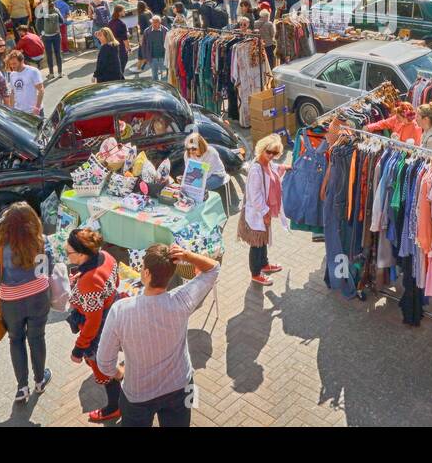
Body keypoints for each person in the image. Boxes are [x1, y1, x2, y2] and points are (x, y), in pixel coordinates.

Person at [95, 242, 219, 427]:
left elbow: (104, 363)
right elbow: (213, 269)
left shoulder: (121, 310)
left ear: (146, 273)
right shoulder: (182, 300)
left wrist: (120, 374)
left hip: (138, 394)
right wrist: (186, 255)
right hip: (181, 386)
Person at [0, 203, 54, 404]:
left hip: (11, 302)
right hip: (39, 297)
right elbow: (46, 272)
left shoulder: (0, 250)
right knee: (37, 338)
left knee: (16, 340)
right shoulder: (41, 242)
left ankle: (22, 388)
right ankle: (40, 381)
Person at [63, 228, 124, 423]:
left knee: (101, 367)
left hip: (98, 332)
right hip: (113, 314)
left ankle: (115, 407)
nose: (66, 254)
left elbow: (93, 322)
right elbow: (116, 280)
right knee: (108, 360)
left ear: (82, 254)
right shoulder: (106, 256)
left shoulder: (89, 281)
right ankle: (117, 373)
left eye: (68, 252)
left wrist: (79, 348)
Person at [240, 134, 287, 287]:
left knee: (263, 241)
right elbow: (255, 196)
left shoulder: (266, 163)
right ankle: (255, 273)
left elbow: (274, 169)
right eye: (269, 152)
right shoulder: (256, 170)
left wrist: (285, 167)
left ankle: (264, 265)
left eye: (275, 153)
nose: (271, 156)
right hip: (257, 213)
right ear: (262, 149)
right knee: (257, 243)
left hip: (262, 213)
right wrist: (265, 212)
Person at [4, 50, 45, 116]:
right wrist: (12, 109)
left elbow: (41, 90)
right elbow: (13, 93)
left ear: (22, 61)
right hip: (19, 112)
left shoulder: (33, 71)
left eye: (14, 63)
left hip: (34, 111)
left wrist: (37, 108)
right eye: (10, 64)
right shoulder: (12, 75)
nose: (12, 66)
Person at [36, 0, 64, 79]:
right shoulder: (56, 9)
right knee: (58, 53)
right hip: (56, 34)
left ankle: (51, 73)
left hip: (46, 36)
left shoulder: (41, 11)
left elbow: (38, 25)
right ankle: (60, 73)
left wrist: (42, 33)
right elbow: (62, 21)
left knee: (49, 54)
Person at [140, 15, 168, 81]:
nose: (154, 24)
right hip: (152, 57)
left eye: (156, 22)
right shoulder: (147, 31)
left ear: (160, 22)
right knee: (154, 76)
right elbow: (143, 45)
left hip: (163, 57)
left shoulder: (165, 30)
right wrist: (144, 57)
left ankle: (164, 90)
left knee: (164, 76)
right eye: (153, 22)